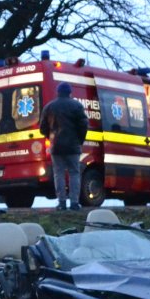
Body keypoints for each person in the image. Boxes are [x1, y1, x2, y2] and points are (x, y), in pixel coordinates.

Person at [38, 81, 89, 210]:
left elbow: (43, 127)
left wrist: (51, 137)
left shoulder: (49, 107)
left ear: (58, 92)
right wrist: (79, 140)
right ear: (70, 92)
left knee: (58, 174)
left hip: (56, 146)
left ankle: (61, 202)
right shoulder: (77, 106)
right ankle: (74, 202)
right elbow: (83, 125)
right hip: (73, 146)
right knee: (74, 173)